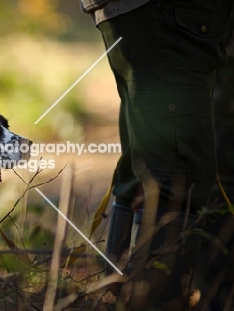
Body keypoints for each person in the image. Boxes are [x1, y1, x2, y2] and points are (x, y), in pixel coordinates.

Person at [79, 0, 234, 309]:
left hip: (140, 13)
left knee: (144, 170)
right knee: (177, 177)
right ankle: (151, 301)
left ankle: (119, 297)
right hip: (169, 12)